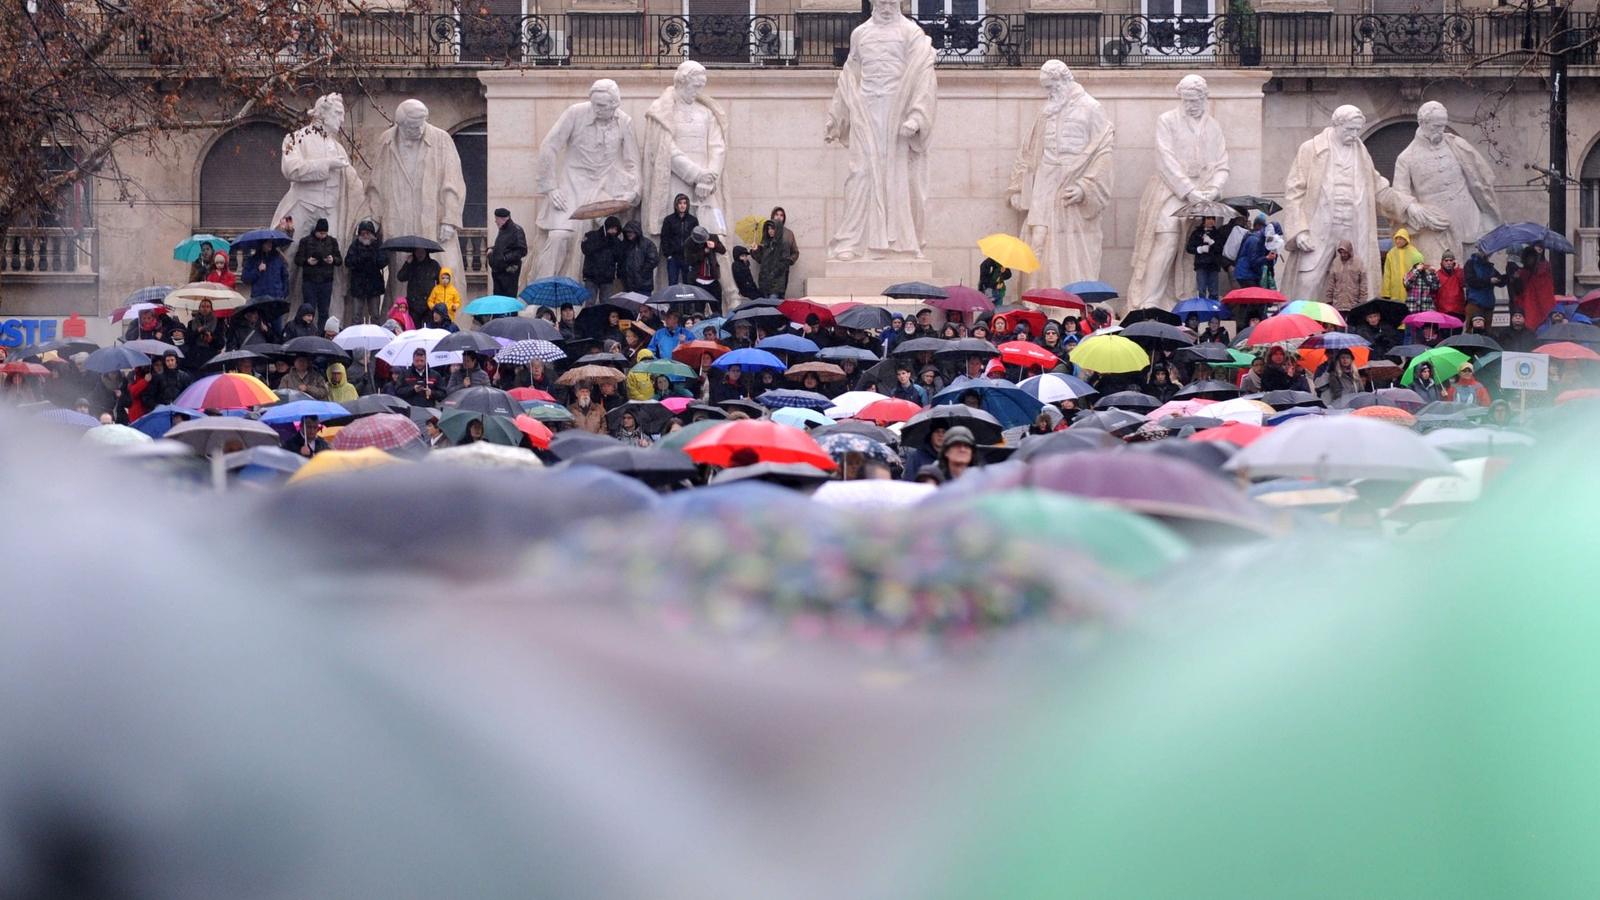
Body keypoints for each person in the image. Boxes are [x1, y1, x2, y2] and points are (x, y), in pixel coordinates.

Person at [294, 218, 341, 325]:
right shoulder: (305, 241)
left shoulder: (332, 242)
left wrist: (332, 260)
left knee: (324, 311)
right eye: (321, 233)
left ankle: (321, 334)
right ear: (316, 230)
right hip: (309, 281)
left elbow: (339, 260)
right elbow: (297, 259)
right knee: (309, 310)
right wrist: (307, 261)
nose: (323, 235)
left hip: (326, 281)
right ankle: (307, 331)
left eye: (325, 233)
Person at [344, 221, 387, 324]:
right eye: (363, 233)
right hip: (358, 285)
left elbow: (383, 262)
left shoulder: (378, 246)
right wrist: (360, 259)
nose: (365, 236)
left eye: (368, 233)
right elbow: (348, 262)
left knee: (375, 315)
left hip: (374, 285)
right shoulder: (355, 246)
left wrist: (373, 258)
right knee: (356, 316)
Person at [485, 207, 528, 297]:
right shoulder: (503, 230)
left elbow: (522, 250)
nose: (495, 221)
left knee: (509, 301)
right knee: (499, 302)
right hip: (498, 272)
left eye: (496, 219)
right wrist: (492, 249)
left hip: (509, 272)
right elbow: (503, 247)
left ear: (503, 219)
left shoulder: (517, 230)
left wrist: (504, 258)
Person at [581, 216, 624, 301]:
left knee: (606, 305)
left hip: (607, 279)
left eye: (616, 229)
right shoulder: (591, 235)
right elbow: (586, 249)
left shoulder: (616, 241)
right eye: (612, 228)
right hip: (591, 277)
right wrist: (603, 242)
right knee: (590, 303)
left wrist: (614, 244)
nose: (614, 231)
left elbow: (619, 258)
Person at [1513, 243, 1556, 328]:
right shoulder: (1524, 271)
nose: (1540, 249)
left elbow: (1546, 285)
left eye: (1541, 247)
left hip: (1538, 300)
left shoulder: (1544, 266)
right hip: (1529, 300)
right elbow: (1518, 289)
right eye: (1537, 246)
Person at [659, 193, 698, 286]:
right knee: (672, 283)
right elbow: (664, 237)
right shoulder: (669, 220)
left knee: (689, 283)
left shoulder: (693, 220)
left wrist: (693, 255)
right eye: (680, 203)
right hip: (673, 257)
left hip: (687, 257)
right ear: (676, 205)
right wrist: (668, 254)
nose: (682, 205)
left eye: (684, 203)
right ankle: (673, 301)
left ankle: (688, 301)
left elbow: (696, 238)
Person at [683, 227, 726, 311]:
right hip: (698, 279)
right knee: (699, 310)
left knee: (716, 308)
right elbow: (689, 260)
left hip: (712, 278)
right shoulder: (689, 242)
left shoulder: (713, 237)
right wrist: (703, 252)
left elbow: (723, 250)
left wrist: (715, 245)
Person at [755, 217, 798, 300]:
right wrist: (755, 250)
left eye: (772, 229)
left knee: (772, 306)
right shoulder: (766, 244)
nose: (770, 231)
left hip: (776, 284)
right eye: (768, 229)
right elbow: (760, 260)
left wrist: (773, 273)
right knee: (767, 308)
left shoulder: (783, 244)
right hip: (764, 284)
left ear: (777, 230)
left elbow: (784, 263)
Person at [397, 249, 441, 328]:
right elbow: (400, 277)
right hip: (413, 304)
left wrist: (437, 297)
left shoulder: (433, 264)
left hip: (429, 304)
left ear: (426, 252)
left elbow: (440, 281)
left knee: (429, 329)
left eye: (422, 252)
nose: (419, 254)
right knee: (413, 328)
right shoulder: (411, 264)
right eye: (417, 252)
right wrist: (407, 263)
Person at [1185, 217, 1224, 300]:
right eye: (1208, 219)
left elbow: (1220, 248)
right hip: (1201, 264)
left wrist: (1212, 242)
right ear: (1204, 220)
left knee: (1213, 291)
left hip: (1214, 264)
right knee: (1201, 289)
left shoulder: (1218, 233)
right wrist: (1200, 249)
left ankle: (1213, 309)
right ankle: (1202, 309)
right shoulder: (1197, 233)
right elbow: (1189, 248)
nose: (1211, 221)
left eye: (1213, 219)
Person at [618, 221, 660, 296]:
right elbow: (620, 262)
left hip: (643, 285)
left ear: (636, 232)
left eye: (631, 232)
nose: (629, 234)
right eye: (627, 232)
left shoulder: (647, 244)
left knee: (644, 306)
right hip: (628, 285)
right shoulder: (624, 245)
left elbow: (653, 260)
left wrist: (642, 272)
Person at [1324, 240, 1367, 312]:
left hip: (1354, 302)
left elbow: (1363, 283)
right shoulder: (1336, 262)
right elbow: (1331, 282)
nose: (1343, 254)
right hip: (1338, 303)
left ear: (1350, 250)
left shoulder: (1358, 262)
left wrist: (1362, 300)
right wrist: (1329, 299)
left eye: (1345, 252)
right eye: (1341, 252)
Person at [1382, 228, 1424, 302]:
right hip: (1394, 292)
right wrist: (1386, 293)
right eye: (1396, 238)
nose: (1398, 241)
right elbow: (1387, 275)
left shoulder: (1414, 253)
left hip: (1410, 292)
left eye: (1401, 238)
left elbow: (1420, 273)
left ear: (1406, 239)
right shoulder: (1391, 254)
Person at [1464, 250, 1502, 326]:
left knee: (1487, 332)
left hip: (1489, 304)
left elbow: (1500, 280)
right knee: (1472, 330)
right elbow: (1471, 281)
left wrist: (1506, 278)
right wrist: (1489, 281)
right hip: (1475, 302)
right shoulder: (1471, 263)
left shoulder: (1490, 267)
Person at [1434, 251, 1466, 320]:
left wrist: (1458, 270)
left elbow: (1464, 284)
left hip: (1458, 311)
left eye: (1451, 260)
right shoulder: (1437, 274)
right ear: (1442, 262)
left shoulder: (1459, 272)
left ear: (1454, 262)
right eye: (1446, 260)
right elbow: (1434, 293)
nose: (1449, 262)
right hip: (1443, 312)